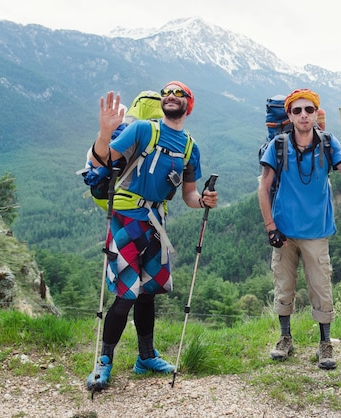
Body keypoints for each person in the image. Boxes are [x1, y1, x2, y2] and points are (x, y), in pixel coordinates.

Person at [86, 81, 218, 390]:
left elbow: (188, 193)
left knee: (147, 293)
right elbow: (99, 161)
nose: (171, 96)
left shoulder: (190, 147)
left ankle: (145, 357)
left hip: (156, 221)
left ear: (189, 104)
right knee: (125, 293)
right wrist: (105, 132)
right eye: (166, 93)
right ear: (161, 102)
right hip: (125, 218)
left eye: (179, 93)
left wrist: (202, 201)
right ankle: (103, 362)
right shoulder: (143, 129)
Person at [258, 88, 341, 370]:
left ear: (316, 113)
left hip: (317, 231)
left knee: (321, 287)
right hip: (285, 231)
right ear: (289, 115)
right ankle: (285, 338)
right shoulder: (278, 145)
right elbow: (264, 188)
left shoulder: (328, 143)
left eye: (309, 110)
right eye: (297, 111)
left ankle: (325, 344)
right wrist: (271, 227)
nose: (304, 115)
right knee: (284, 285)